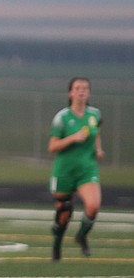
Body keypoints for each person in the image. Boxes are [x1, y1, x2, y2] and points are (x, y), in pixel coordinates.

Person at [49, 76, 104, 261]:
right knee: (64, 213)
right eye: (78, 88)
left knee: (93, 206)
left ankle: (81, 236)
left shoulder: (94, 114)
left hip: (87, 169)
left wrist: (98, 148)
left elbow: (95, 132)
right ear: (70, 93)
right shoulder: (62, 117)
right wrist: (72, 138)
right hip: (65, 171)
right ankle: (57, 246)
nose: (82, 91)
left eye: (85, 88)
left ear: (89, 93)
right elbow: (52, 146)